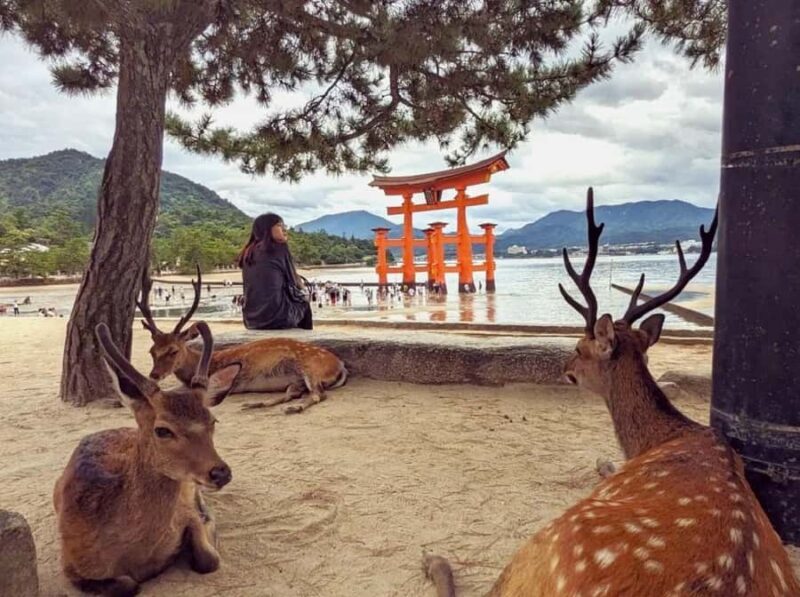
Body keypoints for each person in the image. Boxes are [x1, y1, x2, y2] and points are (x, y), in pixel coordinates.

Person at [237, 213, 312, 330]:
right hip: (277, 318)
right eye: (279, 225)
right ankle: (306, 340)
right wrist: (303, 291)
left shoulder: (248, 251)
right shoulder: (278, 247)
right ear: (267, 229)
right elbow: (294, 281)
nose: (284, 229)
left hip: (251, 319)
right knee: (304, 303)